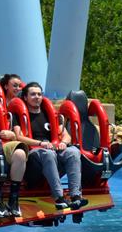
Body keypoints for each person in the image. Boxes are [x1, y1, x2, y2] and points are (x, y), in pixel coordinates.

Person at [13, 82, 86, 210]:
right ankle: (59, 197)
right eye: (33, 94)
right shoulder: (19, 115)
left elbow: (66, 135)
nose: (37, 97)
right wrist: (40, 144)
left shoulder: (49, 114)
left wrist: (63, 142)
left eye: (39, 94)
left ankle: (75, 196)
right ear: (25, 97)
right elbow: (18, 137)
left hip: (52, 149)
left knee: (73, 151)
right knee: (48, 153)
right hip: (33, 153)